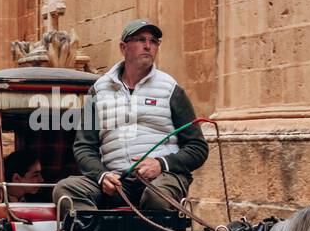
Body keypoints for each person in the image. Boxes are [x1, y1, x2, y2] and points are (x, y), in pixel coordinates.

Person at [53, 18, 208, 214]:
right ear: (123, 47)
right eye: (141, 39)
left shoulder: (171, 89)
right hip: (117, 182)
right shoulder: (98, 91)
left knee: (156, 198)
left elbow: (198, 148)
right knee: (65, 189)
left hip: (162, 178)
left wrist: (161, 164)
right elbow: (84, 147)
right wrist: (102, 175)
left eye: (153, 41)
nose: (148, 46)